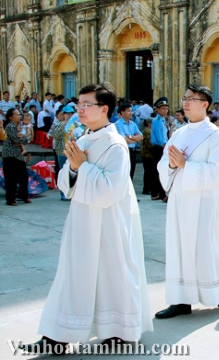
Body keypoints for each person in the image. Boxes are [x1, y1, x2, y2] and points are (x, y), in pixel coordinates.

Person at [19, 84, 153, 355]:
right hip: (82, 219)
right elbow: (64, 182)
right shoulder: (83, 139)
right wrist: (75, 169)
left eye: (85, 104)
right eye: (78, 104)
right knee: (73, 274)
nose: (78, 109)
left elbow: (110, 191)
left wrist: (82, 166)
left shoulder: (116, 145)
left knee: (111, 274)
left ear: (104, 109)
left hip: (109, 223)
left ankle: (117, 331)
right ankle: (57, 335)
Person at [155, 85, 219, 319]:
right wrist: (171, 165)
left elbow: (218, 171)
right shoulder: (178, 134)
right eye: (185, 98)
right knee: (180, 247)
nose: (186, 102)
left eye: (192, 99)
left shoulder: (216, 135)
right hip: (181, 200)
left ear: (205, 104)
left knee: (205, 246)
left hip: (205, 202)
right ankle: (181, 300)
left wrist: (185, 165)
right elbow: (163, 164)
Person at [2, 108, 31, 206]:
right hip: (10, 155)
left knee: (23, 176)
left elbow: (25, 139)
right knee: (11, 179)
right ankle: (10, 200)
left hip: (18, 155)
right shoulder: (9, 127)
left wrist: (22, 138)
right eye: (17, 114)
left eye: (19, 114)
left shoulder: (19, 126)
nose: (19, 116)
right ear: (11, 117)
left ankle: (23, 195)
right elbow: (16, 140)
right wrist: (22, 139)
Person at [49, 105, 74, 201]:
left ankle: (71, 192)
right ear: (63, 114)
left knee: (72, 173)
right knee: (63, 173)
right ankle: (63, 193)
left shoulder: (75, 124)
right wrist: (64, 126)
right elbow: (56, 136)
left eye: (72, 113)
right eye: (68, 113)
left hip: (72, 152)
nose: (70, 115)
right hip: (62, 152)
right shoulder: (59, 125)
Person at [115, 103, 143, 180]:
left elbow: (141, 137)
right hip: (124, 151)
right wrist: (134, 139)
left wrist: (130, 137)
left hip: (133, 151)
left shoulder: (133, 124)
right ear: (122, 112)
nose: (131, 113)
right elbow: (124, 139)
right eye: (128, 111)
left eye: (131, 111)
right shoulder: (118, 124)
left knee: (131, 173)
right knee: (124, 174)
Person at [150, 97, 169, 201]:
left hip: (162, 147)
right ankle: (162, 194)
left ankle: (156, 193)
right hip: (159, 148)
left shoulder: (162, 120)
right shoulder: (157, 121)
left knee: (158, 170)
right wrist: (165, 147)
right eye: (163, 108)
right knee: (159, 170)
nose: (165, 110)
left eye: (166, 108)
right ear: (157, 109)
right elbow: (160, 138)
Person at [140, 118, 154, 195]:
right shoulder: (147, 131)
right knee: (148, 172)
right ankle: (147, 188)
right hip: (147, 154)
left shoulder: (149, 131)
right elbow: (149, 143)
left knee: (149, 171)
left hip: (148, 154)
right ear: (149, 124)